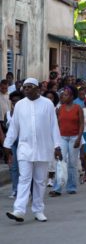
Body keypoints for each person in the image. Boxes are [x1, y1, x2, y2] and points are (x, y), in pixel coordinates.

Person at [4, 78, 62, 222]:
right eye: (25, 87)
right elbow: (14, 127)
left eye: (30, 87)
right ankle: (19, 210)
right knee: (24, 179)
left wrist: (57, 145)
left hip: (43, 148)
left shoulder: (47, 104)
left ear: (37, 89)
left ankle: (38, 210)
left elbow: (54, 126)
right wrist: (7, 144)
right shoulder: (19, 106)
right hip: (25, 148)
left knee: (40, 181)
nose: (26, 89)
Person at [49, 86, 84, 197]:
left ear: (72, 96)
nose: (63, 96)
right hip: (62, 138)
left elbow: (81, 124)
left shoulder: (78, 108)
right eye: (62, 94)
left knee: (72, 164)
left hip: (74, 137)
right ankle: (57, 188)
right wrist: (56, 141)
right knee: (60, 162)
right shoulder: (59, 108)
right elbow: (56, 125)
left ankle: (71, 187)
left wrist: (79, 138)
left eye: (65, 95)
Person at [3, 91, 24, 198]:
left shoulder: (24, 113)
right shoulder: (7, 114)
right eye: (14, 101)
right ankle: (15, 189)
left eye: (18, 100)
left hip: (23, 141)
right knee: (14, 167)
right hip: (12, 143)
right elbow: (5, 129)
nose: (16, 102)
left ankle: (24, 189)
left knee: (23, 167)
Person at [43, 90, 60, 187]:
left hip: (53, 136)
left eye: (51, 98)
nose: (49, 99)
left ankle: (50, 178)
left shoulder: (56, 109)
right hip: (43, 135)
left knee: (53, 159)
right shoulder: (41, 108)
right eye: (47, 97)